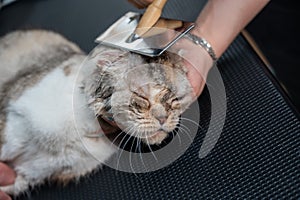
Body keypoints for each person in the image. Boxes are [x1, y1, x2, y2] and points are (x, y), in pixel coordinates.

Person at [0, 0, 270, 198]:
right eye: (142, 98)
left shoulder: (106, 143)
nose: (165, 118)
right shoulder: (49, 106)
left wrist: (204, 44)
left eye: (171, 100)